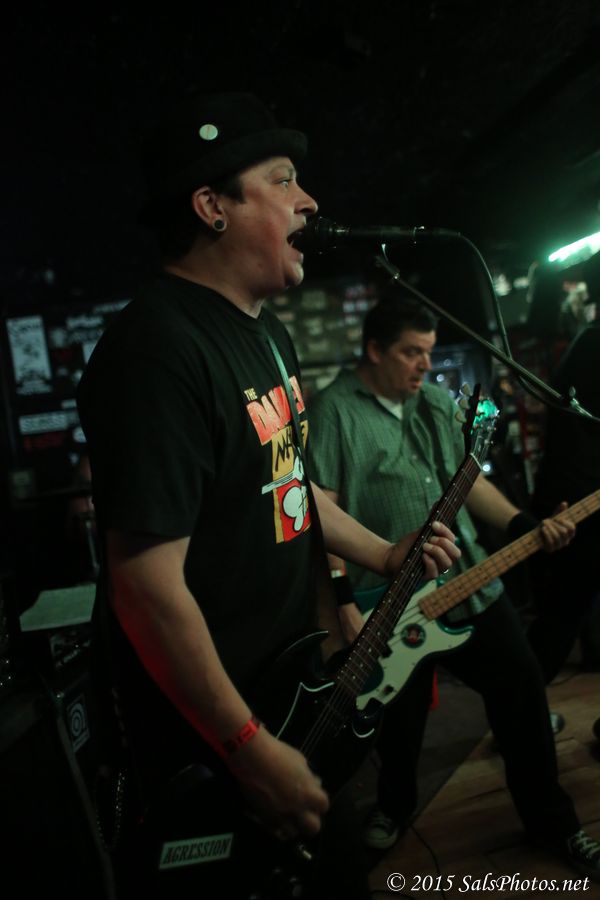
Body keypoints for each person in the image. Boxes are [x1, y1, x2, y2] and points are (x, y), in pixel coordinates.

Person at [76, 94, 460, 900]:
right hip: (218, 736)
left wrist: (381, 556)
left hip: (287, 701)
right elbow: (144, 586)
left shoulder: (266, 334)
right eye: (283, 180)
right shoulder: (156, 351)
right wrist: (246, 746)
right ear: (211, 206)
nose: (310, 201)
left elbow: (291, 487)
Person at [307, 297, 600, 880]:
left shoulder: (437, 403)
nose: (424, 364)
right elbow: (323, 519)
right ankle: (394, 807)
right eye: (411, 352)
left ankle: (554, 821)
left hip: (471, 586)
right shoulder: (334, 412)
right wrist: (341, 607)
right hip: (390, 603)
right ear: (374, 350)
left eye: (429, 352)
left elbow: (470, 486)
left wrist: (524, 526)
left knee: (522, 692)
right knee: (399, 723)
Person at [529, 304, 600, 680]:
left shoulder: (587, 341)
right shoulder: (592, 345)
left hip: (575, 494)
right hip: (577, 503)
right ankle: (522, 703)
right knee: (562, 613)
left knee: (564, 610)